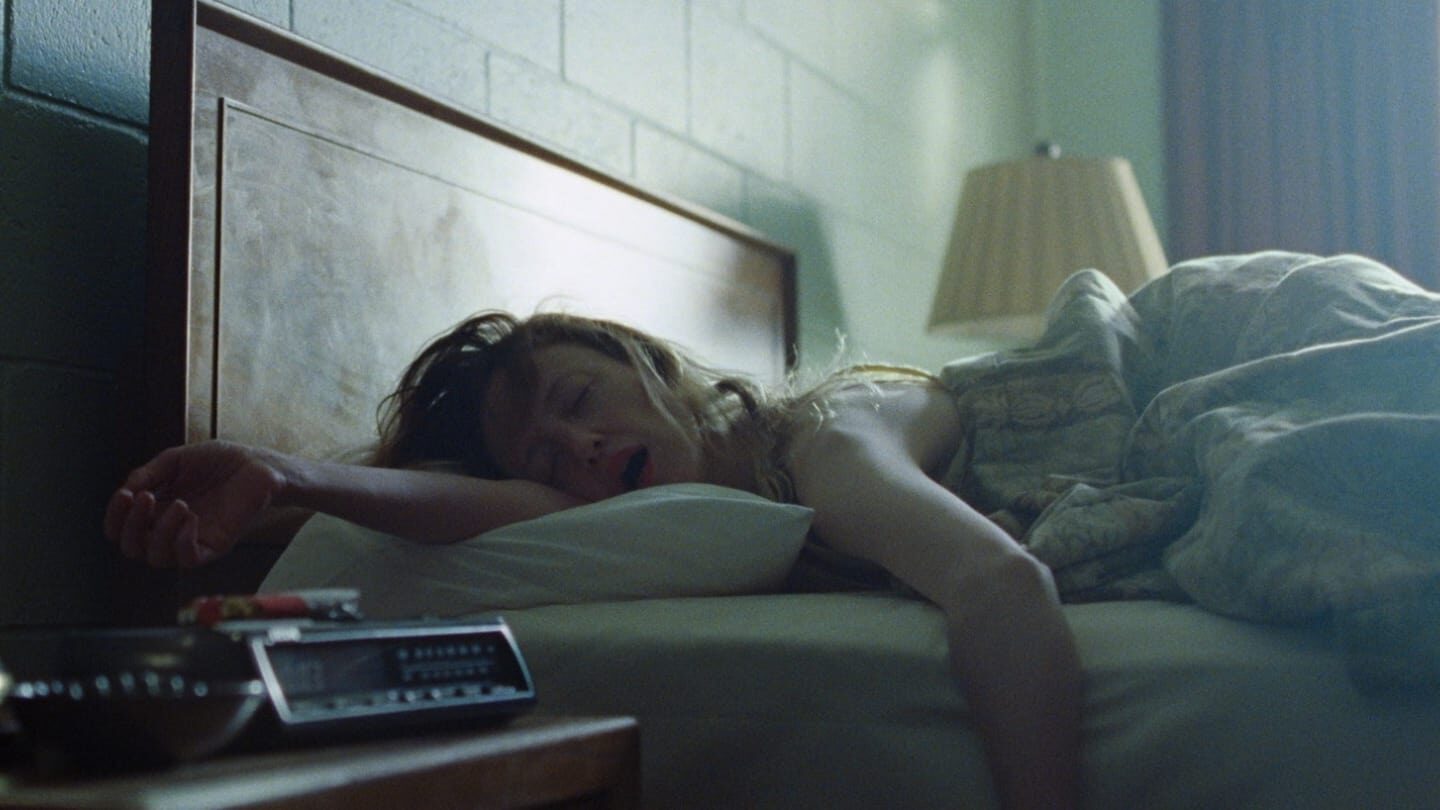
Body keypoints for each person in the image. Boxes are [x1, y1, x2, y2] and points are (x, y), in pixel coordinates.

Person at [106, 310, 1083, 810]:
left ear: (648, 362)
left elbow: (1004, 585)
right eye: (545, 458)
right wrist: (283, 478)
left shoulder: (830, 448)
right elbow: (498, 511)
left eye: (579, 401)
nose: (577, 448)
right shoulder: (681, 493)